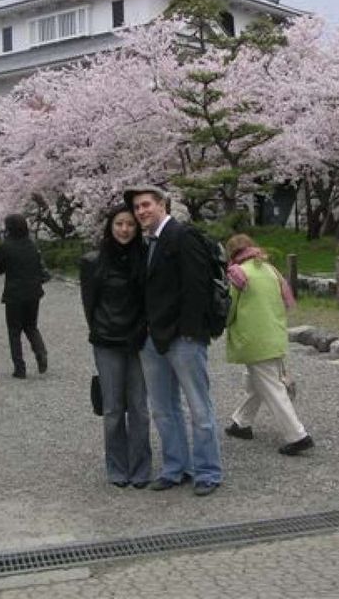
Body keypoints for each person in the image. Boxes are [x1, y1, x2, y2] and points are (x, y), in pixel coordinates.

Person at [123, 184, 222, 497]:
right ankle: (175, 467)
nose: (141, 212)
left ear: (162, 204)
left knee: (198, 407)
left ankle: (207, 471)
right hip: (152, 338)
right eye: (137, 207)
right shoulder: (149, 242)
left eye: (146, 205)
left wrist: (191, 331)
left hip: (183, 337)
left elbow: (197, 287)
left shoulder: (182, 236)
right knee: (163, 409)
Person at [80, 204, 152, 489]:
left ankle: (141, 466)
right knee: (112, 409)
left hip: (138, 340)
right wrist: (99, 330)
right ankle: (116, 465)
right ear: (110, 226)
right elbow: (90, 303)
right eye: (119, 224)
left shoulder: (146, 258)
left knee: (139, 407)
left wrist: (143, 330)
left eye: (130, 225)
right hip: (107, 340)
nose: (125, 229)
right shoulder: (93, 261)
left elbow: (150, 300)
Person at [223, 234, 314, 455]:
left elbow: (230, 309)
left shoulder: (238, 273)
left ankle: (297, 435)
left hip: (254, 339)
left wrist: (220, 323)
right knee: (260, 383)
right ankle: (241, 423)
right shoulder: (270, 270)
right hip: (274, 335)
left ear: (232, 254)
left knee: (272, 388)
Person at [0, 214, 48, 379]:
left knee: (14, 331)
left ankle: (20, 368)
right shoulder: (32, 244)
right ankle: (40, 352)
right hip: (33, 292)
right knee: (31, 326)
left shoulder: (6, 246)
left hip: (14, 294)